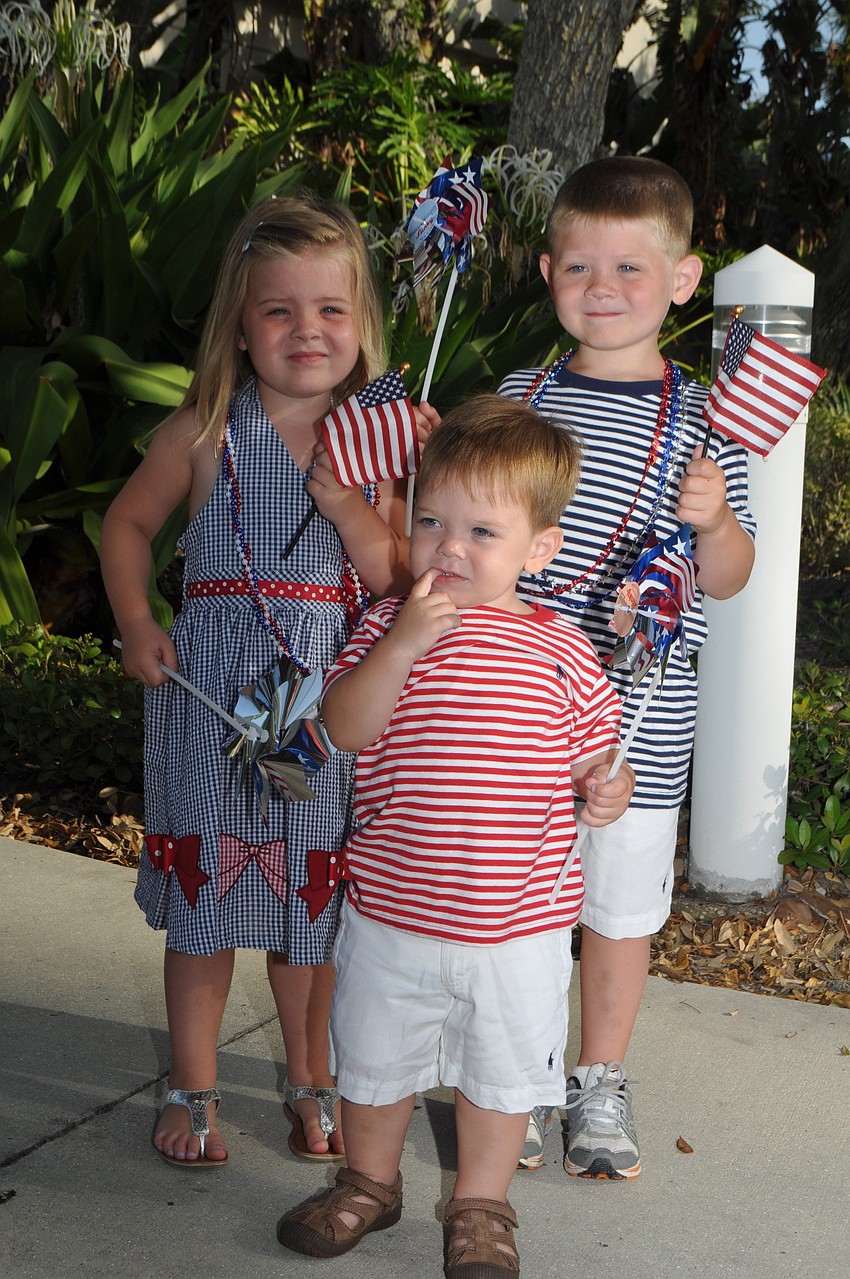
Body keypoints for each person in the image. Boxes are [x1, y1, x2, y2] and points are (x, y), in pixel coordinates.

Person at [276, 395, 635, 1274]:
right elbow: (344, 728)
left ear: (538, 549)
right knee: (374, 1061)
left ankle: (481, 1202)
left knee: (500, 1075)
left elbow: (601, 760)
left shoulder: (564, 652)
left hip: (517, 922)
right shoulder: (384, 625)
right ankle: (369, 1179)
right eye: (431, 521)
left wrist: (608, 789)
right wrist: (401, 642)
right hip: (392, 909)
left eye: (482, 531)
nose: (449, 547)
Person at [100, 195, 416, 1168]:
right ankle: (192, 1084)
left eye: (330, 309)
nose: (306, 329)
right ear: (240, 326)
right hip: (213, 702)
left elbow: (397, 580)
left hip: (322, 702)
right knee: (209, 896)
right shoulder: (204, 429)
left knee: (309, 906)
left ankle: (311, 1075)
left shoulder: (380, 447)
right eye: (279, 310)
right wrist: (139, 621)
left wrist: (355, 507)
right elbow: (127, 525)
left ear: (361, 323)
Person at [498, 155, 756, 1179]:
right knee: (515, 897)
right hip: (523, 699)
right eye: (577, 267)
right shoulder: (519, 398)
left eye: (629, 268)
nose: (600, 289)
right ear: (547, 271)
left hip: (641, 713)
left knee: (616, 909)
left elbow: (729, 577)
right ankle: (514, 1074)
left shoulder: (707, 421)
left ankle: (597, 1078)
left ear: (683, 280)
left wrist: (716, 521)